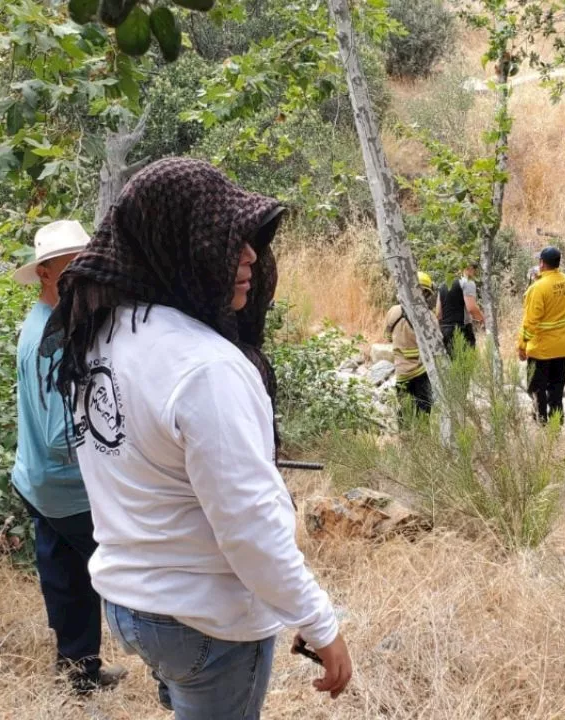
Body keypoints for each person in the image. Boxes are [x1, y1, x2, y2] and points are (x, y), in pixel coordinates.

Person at [44, 158, 352, 719]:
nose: (251, 257)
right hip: (203, 617)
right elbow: (248, 526)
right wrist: (317, 621)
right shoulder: (204, 367)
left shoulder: (99, 337)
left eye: (249, 240)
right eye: (227, 240)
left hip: (129, 603)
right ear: (177, 245)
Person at [11, 220, 127, 695]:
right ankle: (174, 673)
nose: (83, 273)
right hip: (67, 488)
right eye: (70, 266)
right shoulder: (52, 340)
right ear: (43, 272)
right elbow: (63, 437)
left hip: (37, 482)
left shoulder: (41, 325)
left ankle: (80, 675)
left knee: (66, 579)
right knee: (128, 575)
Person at [518, 246, 565, 424]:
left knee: (536, 389)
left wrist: (522, 345)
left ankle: (541, 423)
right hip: (562, 347)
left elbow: (530, 322)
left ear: (542, 263)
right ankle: (557, 424)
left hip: (541, 349)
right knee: (557, 389)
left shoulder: (538, 288)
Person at [385, 272, 438, 416]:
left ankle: (405, 438)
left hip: (402, 373)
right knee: (424, 415)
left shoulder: (393, 312)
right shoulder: (429, 317)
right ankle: (423, 439)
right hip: (422, 373)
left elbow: (388, 337)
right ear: (427, 293)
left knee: (404, 415)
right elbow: (437, 345)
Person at [437, 261, 484, 355]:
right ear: (471, 269)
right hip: (461, 330)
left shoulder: (443, 285)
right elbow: (471, 308)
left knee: (451, 365)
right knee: (467, 365)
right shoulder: (467, 282)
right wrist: (483, 319)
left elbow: (438, 314)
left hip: (445, 331)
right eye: (474, 270)